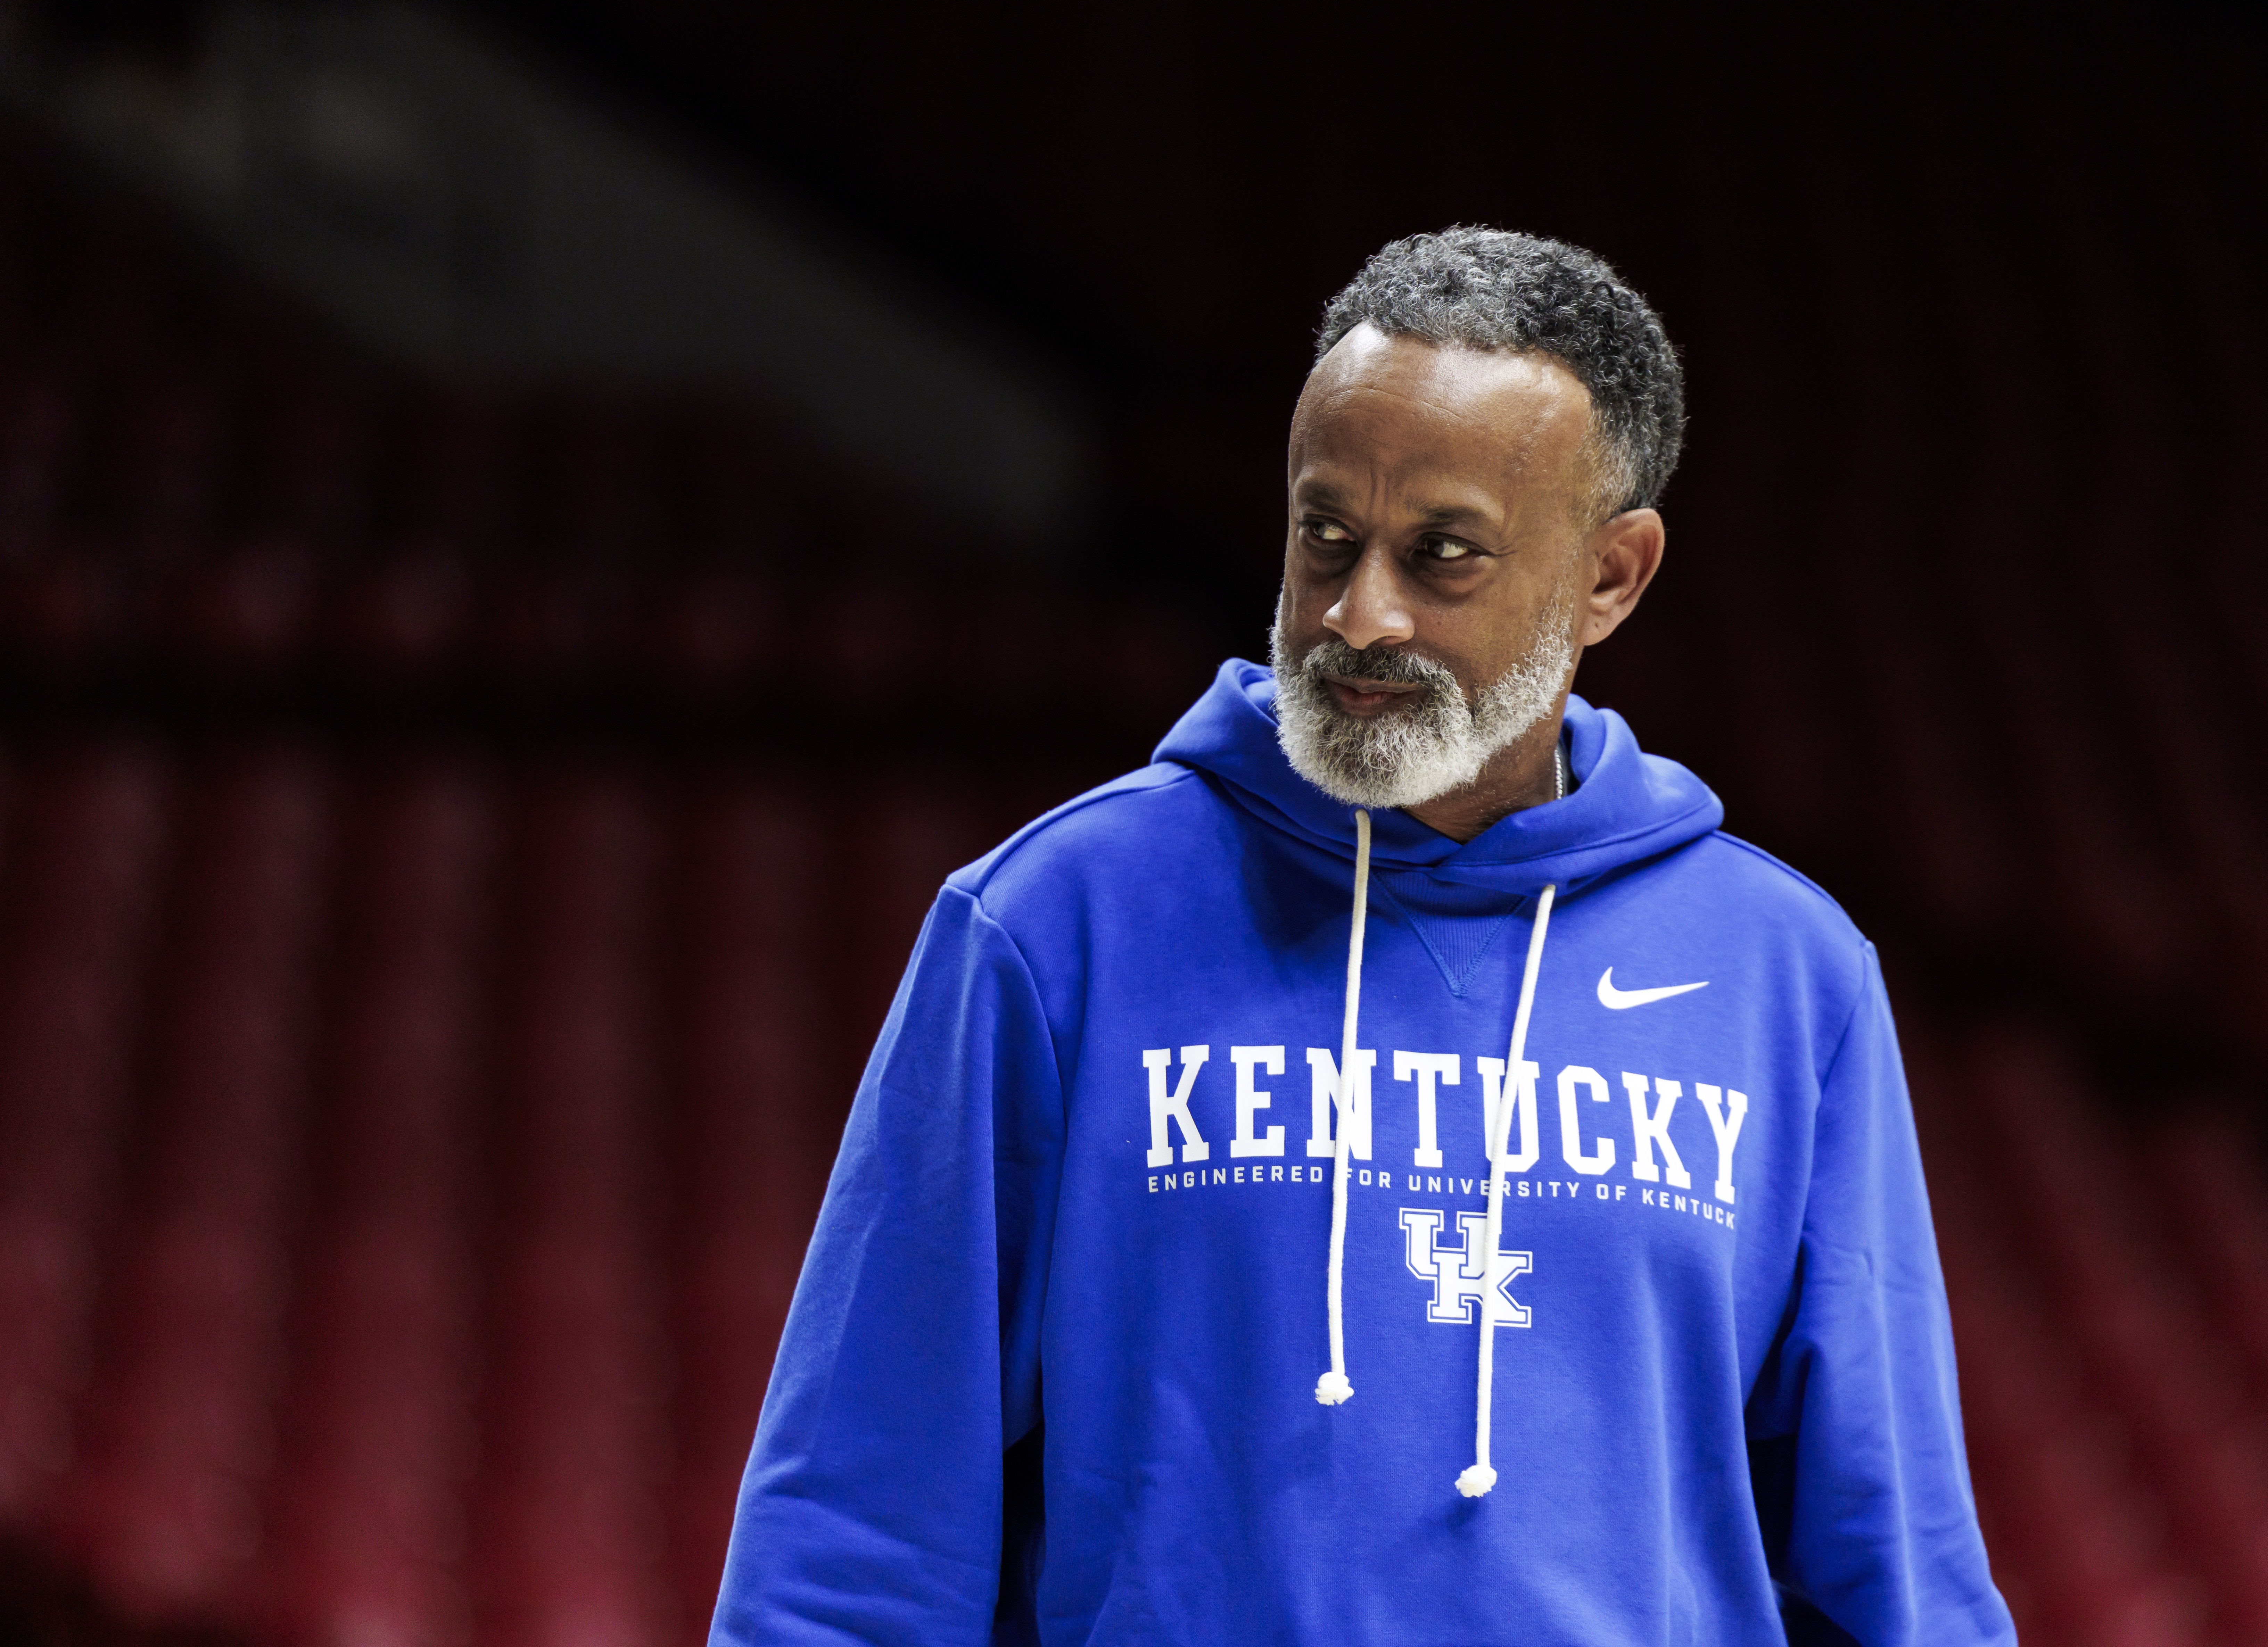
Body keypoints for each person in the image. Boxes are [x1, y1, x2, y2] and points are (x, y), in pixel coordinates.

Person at [710, 229, 2014, 1646]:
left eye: (1441, 554)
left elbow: (1900, 1568)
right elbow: (855, 1538)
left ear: (1610, 576)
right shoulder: (1047, 923)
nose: (1355, 613)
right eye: (1324, 534)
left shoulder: (1787, 975)